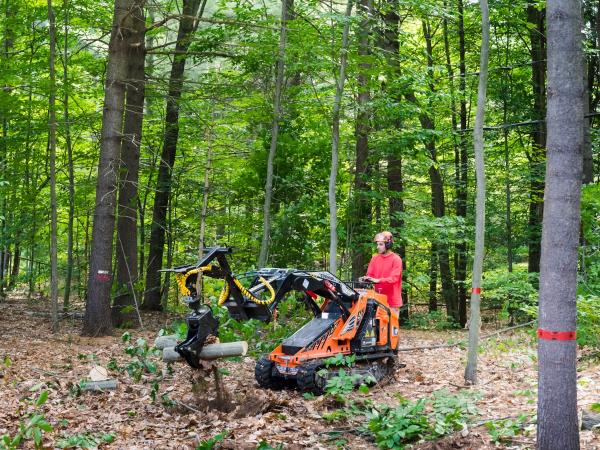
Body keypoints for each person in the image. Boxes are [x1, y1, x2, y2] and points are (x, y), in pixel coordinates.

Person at [360, 231, 403, 314]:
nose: (378, 247)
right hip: (377, 299)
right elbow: (370, 275)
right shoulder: (374, 259)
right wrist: (366, 279)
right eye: (377, 244)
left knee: (391, 326)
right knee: (378, 326)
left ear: (388, 245)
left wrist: (378, 280)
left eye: (381, 244)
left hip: (392, 301)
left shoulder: (396, 259)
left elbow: (394, 278)